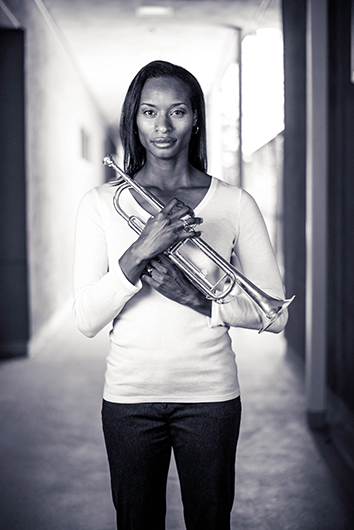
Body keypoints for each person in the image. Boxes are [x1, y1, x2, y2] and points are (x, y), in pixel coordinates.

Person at [73, 60, 289, 530]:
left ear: (196, 119)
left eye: (177, 112)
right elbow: (86, 318)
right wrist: (141, 249)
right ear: (134, 118)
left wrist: (196, 298)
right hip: (129, 397)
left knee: (211, 522)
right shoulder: (100, 203)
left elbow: (275, 314)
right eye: (149, 112)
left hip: (210, 396)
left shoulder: (235, 203)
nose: (163, 127)